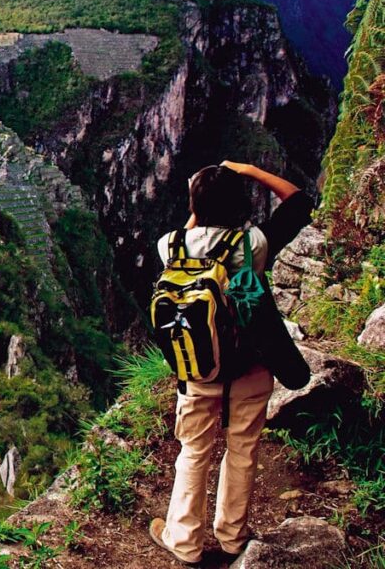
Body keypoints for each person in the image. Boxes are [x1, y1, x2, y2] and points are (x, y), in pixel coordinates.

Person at [149, 161, 314, 565]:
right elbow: (298, 202)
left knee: (193, 451)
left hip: (198, 369)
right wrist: (250, 170)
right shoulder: (253, 245)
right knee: (242, 449)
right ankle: (232, 536)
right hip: (252, 367)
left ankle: (184, 541)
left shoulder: (169, 244)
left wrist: (197, 203)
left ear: (195, 205)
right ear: (240, 205)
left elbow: (189, 235)